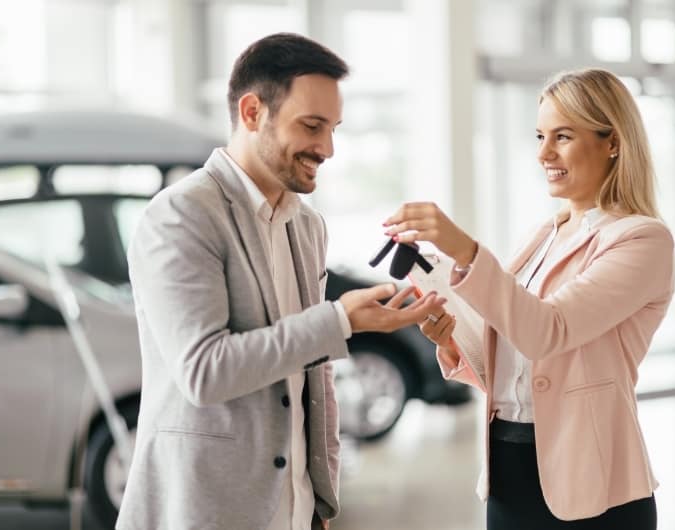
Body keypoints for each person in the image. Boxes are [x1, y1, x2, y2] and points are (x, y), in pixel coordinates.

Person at [116, 33, 444, 530]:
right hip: (205, 511)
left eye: (333, 128)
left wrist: (319, 498)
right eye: (312, 126)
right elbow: (205, 372)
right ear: (252, 113)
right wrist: (339, 320)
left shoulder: (307, 226)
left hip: (293, 512)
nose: (327, 148)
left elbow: (314, 377)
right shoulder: (182, 215)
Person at [383, 68, 674, 529]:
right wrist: (454, 341)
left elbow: (548, 332)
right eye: (540, 135)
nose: (543, 153)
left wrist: (467, 250)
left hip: (595, 485)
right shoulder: (543, 236)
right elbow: (515, 355)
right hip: (508, 469)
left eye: (563, 136)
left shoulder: (642, 240)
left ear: (612, 142)